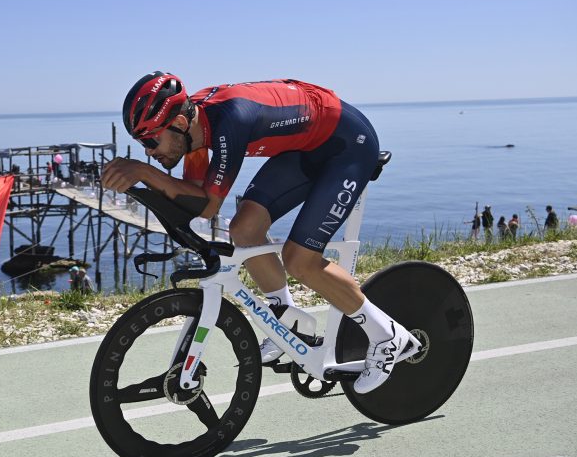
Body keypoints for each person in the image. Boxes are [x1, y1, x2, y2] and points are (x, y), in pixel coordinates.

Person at [102, 71, 416, 394]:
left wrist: (142, 173)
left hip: (347, 146)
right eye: (142, 145)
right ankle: (287, 323)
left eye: (151, 141)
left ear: (179, 125)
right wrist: (145, 182)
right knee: (244, 229)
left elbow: (208, 206)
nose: (149, 152)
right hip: (306, 149)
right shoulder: (193, 132)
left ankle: (387, 336)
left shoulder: (229, 122)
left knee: (299, 260)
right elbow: (192, 194)